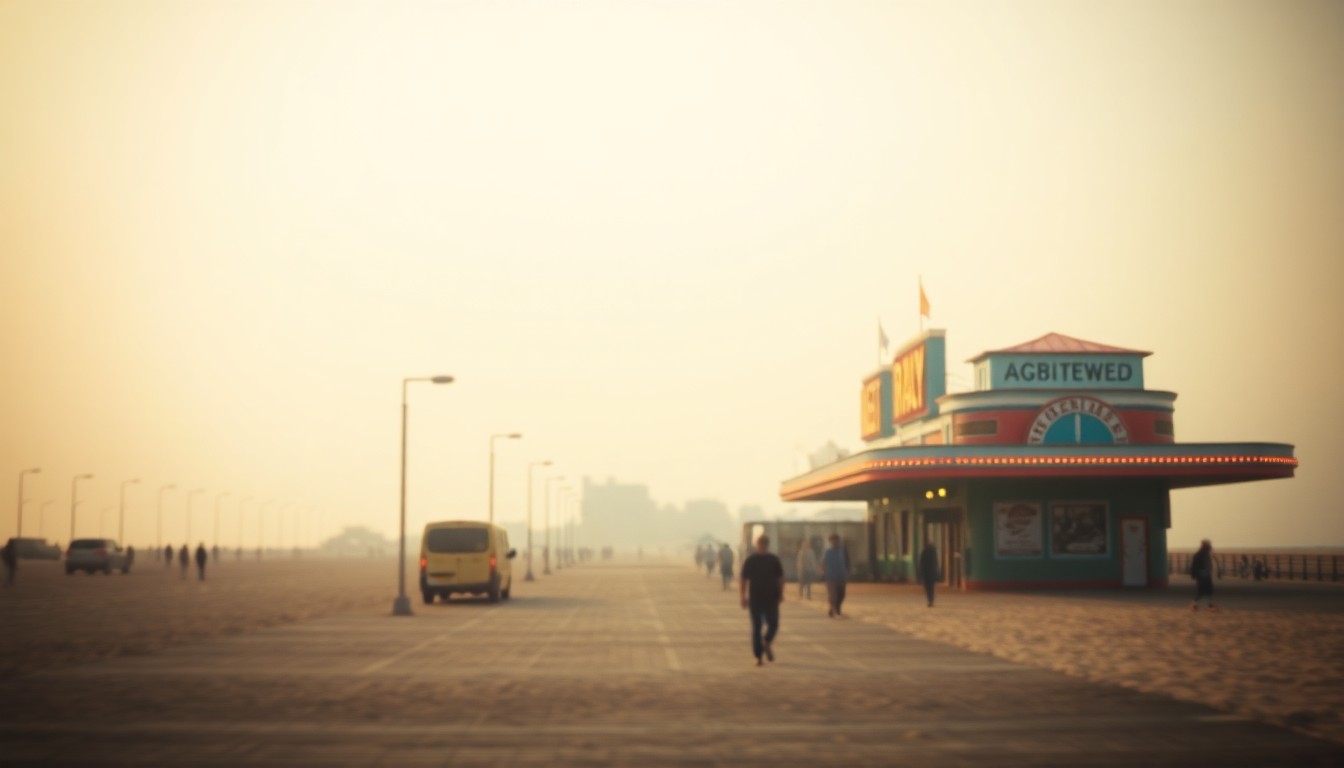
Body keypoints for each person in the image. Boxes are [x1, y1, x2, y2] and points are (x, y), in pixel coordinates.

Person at [739, 535, 784, 666]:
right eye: (761, 543)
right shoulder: (752, 560)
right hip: (759, 598)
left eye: (763, 543)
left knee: (769, 625)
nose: (762, 546)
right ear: (758, 544)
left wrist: (781, 594)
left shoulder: (773, 560)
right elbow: (743, 579)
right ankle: (760, 654)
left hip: (769, 598)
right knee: (760, 627)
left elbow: (780, 578)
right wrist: (743, 596)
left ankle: (765, 645)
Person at [821, 533, 849, 618]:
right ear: (830, 541)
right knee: (833, 595)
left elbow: (847, 561)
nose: (835, 542)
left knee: (842, 594)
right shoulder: (827, 551)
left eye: (836, 540)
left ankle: (835, 609)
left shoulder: (843, 550)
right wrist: (823, 572)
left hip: (841, 576)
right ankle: (835, 611)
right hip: (831, 577)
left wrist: (847, 571)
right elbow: (823, 562)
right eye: (833, 540)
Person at [1189, 539, 1216, 611]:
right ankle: (1194, 603)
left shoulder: (1205, 553)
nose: (1210, 546)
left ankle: (1209, 604)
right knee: (1202, 591)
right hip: (1202, 575)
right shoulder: (1200, 554)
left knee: (1208, 590)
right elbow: (1195, 565)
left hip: (1206, 574)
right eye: (1209, 545)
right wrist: (1194, 574)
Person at [919, 541, 939, 607]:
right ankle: (931, 600)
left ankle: (929, 600)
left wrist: (921, 573)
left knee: (927, 587)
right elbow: (936, 563)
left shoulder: (924, 552)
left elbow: (921, 563)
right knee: (931, 587)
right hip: (932, 572)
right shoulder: (933, 552)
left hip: (926, 573)